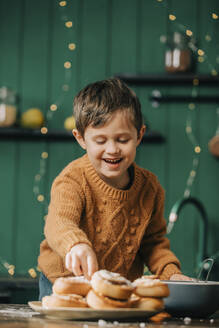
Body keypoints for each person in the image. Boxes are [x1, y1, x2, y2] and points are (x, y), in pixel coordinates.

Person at [38, 77, 189, 300]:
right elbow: (59, 222)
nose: (112, 149)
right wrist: (76, 244)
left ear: (139, 135)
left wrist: (171, 274)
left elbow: (154, 244)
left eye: (122, 139)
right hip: (64, 282)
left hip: (116, 286)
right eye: (100, 141)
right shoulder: (72, 179)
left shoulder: (150, 188)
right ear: (81, 139)